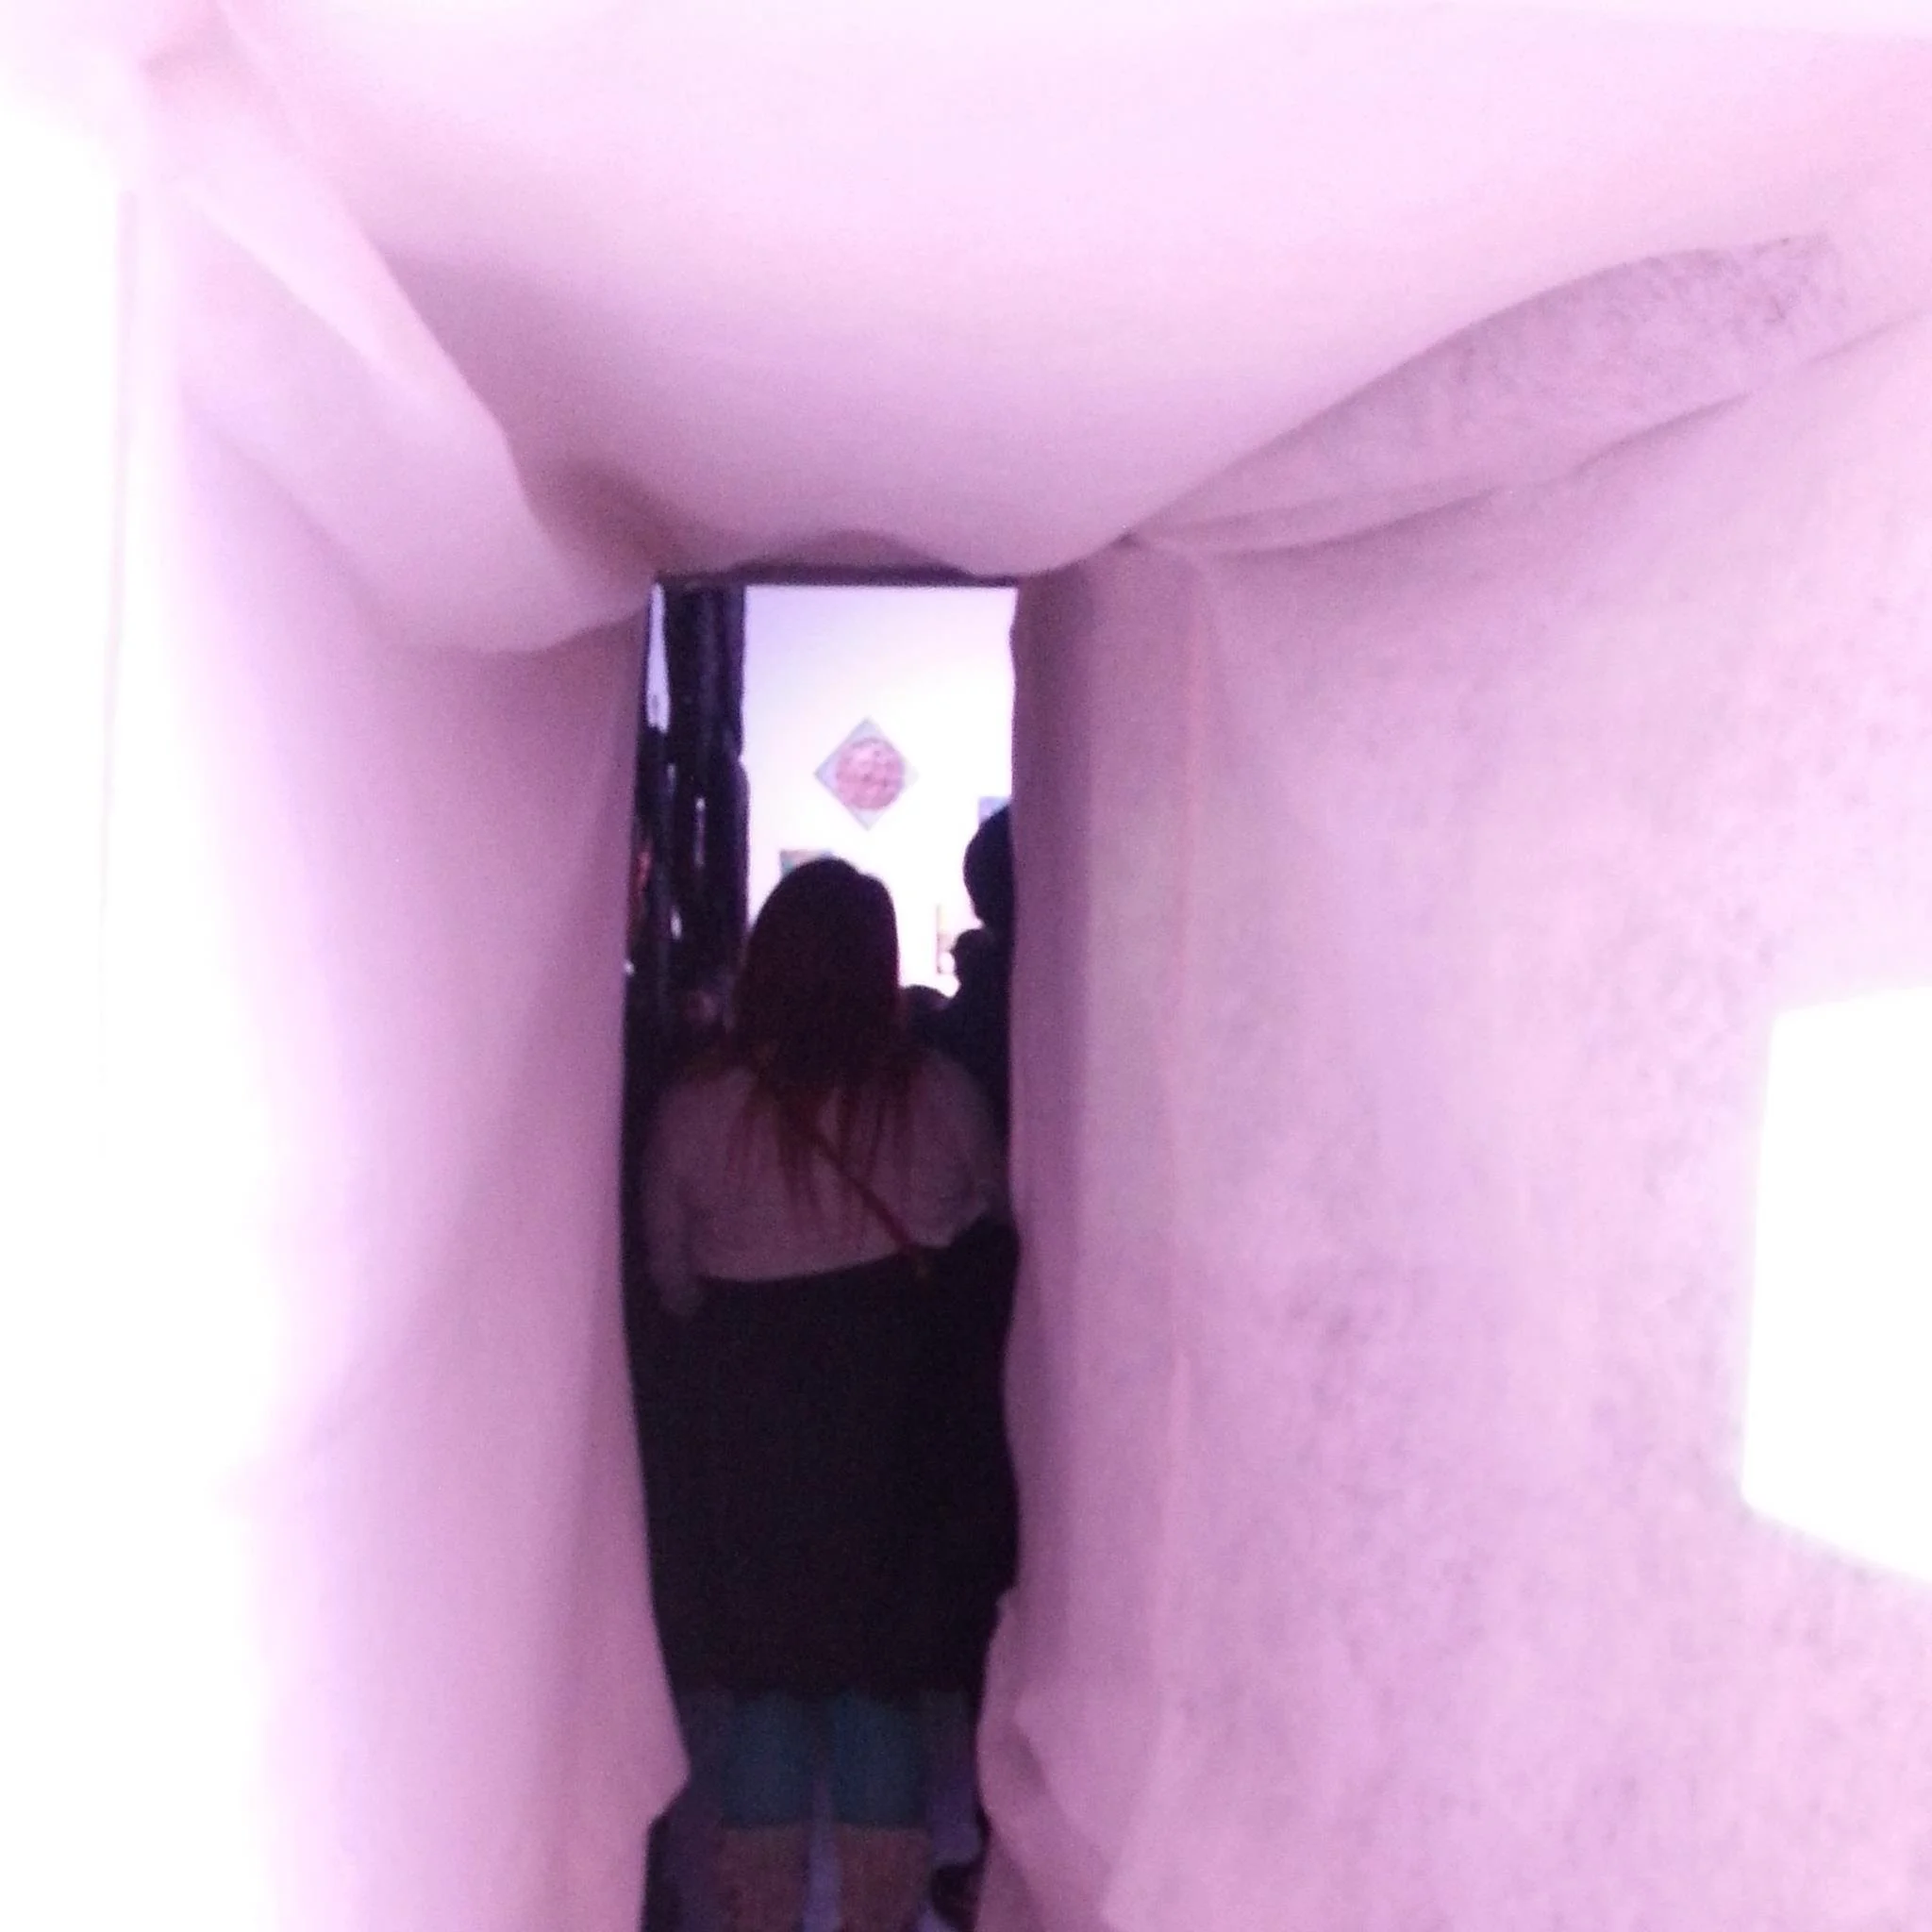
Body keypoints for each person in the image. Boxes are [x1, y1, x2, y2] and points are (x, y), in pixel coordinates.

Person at [643, 858, 1007, 1932]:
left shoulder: (697, 1108)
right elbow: (992, 1215)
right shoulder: (936, 1096)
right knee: (874, 1688)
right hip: (897, 1440)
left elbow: (671, 1274)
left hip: (747, 1440)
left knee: (766, 1689)